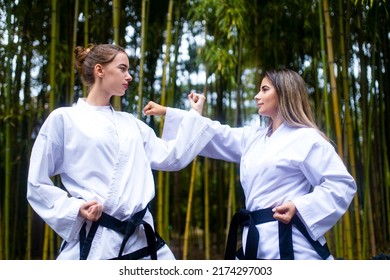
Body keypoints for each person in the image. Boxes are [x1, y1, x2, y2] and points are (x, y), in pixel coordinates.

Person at [26, 43, 216, 260]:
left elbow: (171, 157)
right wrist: (76, 208)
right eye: (123, 68)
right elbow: (36, 182)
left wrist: (194, 114)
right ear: (100, 70)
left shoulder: (131, 124)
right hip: (98, 240)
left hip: (140, 238)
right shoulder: (64, 119)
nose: (130, 76)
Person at [143, 68, 357, 260]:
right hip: (254, 242)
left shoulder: (307, 138)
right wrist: (173, 113)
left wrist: (300, 207)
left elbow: (341, 184)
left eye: (264, 90)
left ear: (284, 93)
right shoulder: (254, 137)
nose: (257, 96)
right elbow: (214, 133)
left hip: (291, 243)